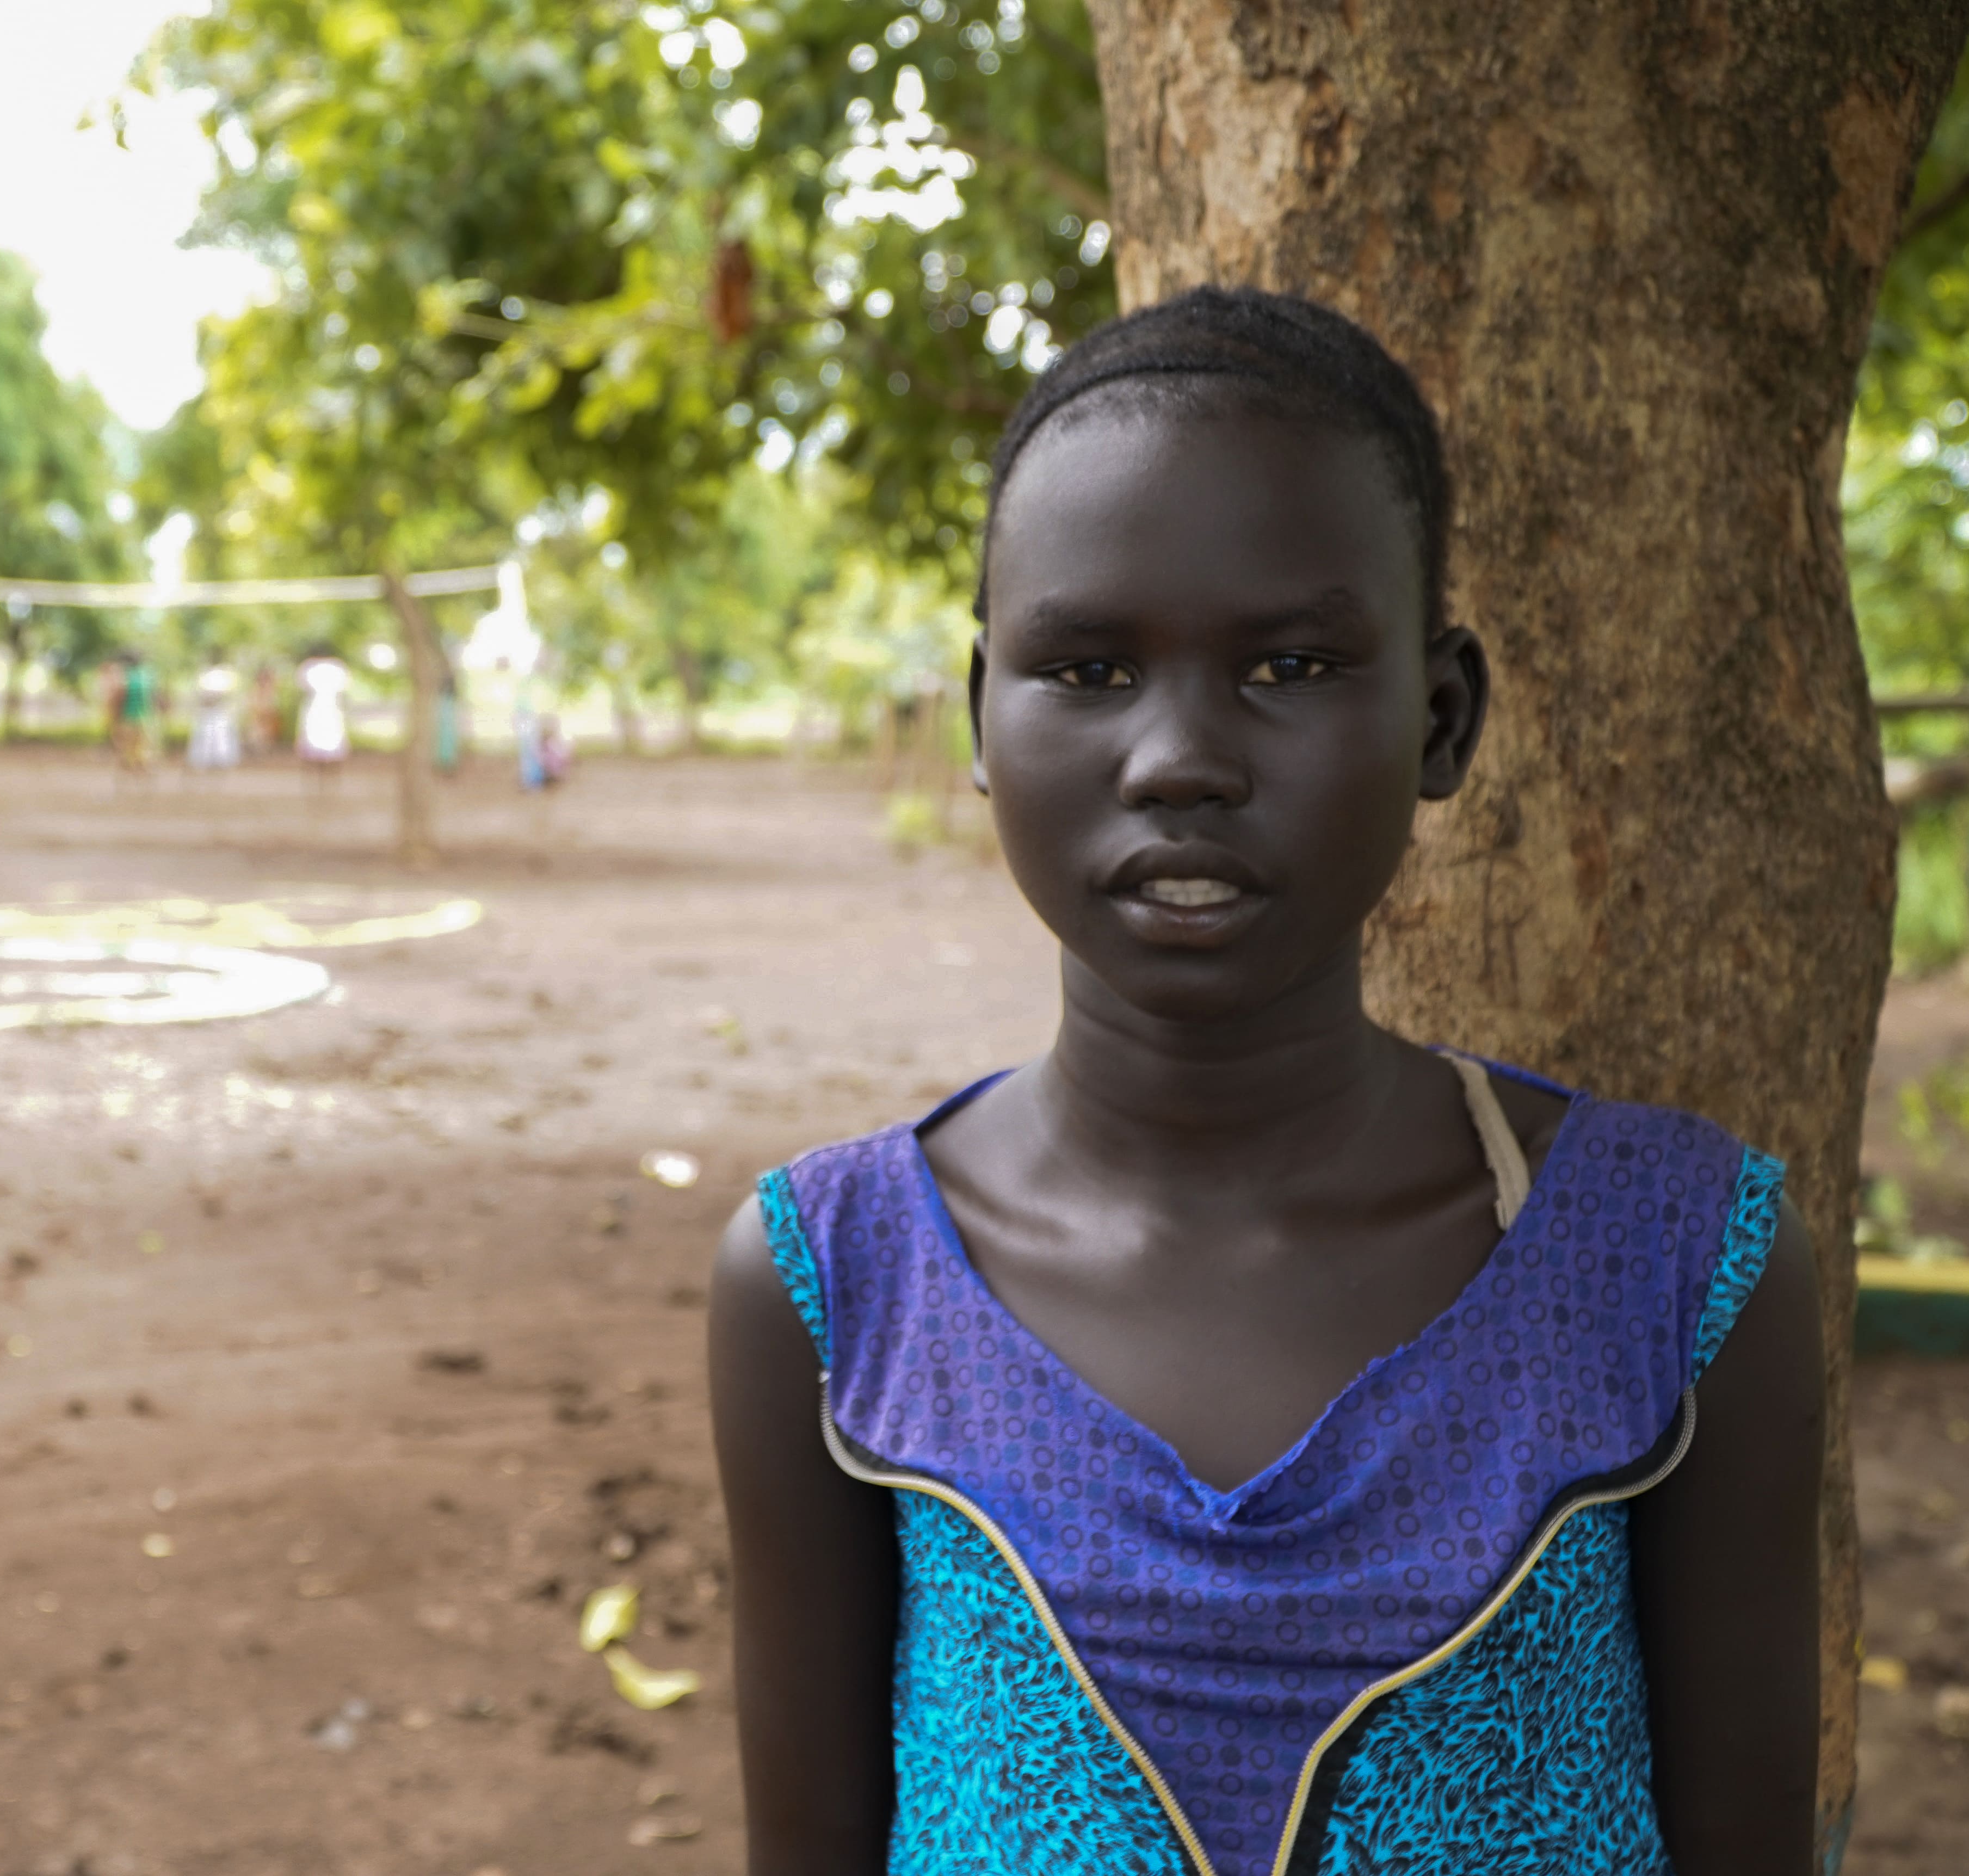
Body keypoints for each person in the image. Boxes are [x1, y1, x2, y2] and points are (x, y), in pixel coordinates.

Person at [709, 288, 1820, 1876]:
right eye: (1087, 670)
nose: (1178, 758)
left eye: (1291, 665)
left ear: (1437, 720)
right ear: (978, 718)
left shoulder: (1677, 1262)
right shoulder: (834, 1283)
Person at [297, 648, 351, 780]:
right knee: (326, 740)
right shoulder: (337, 668)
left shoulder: (310, 667)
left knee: (320, 740)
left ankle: (317, 773)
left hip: (320, 708)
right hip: (328, 708)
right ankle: (329, 774)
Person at [188, 653, 241, 773]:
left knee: (221, 737)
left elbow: (229, 694)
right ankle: (203, 762)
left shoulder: (226, 674)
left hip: (220, 711)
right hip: (207, 711)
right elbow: (200, 693)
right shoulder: (205, 674)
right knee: (205, 736)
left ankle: (222, 762)